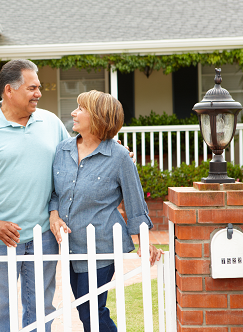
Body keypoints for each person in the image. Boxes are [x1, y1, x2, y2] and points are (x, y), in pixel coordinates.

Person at [0, 59, 70, 332]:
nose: (38, 94)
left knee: (41, 307)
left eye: (38, 87)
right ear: (9, 90)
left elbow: (73, 158)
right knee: (1, 307)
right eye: (32, 88)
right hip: (0, 237)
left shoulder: (50, 122)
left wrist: (113, 150)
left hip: (43, 234)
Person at [49, 90, 163, 332]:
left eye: (81, 109)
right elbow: (55, 193)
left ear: (99, 118)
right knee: (84, 309)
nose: (73, 113)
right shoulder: (62, 150)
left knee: (91, 311)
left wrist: (144, 240)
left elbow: (134, 202)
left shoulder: (119, 156)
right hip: (70, 246)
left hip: (101, 245)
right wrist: (54, 214)